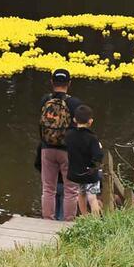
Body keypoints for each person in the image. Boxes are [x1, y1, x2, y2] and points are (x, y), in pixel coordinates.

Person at [38, 69, 80, 222]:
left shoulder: (44, 100)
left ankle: (47, 220)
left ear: (52, 82)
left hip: (47, 148)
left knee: (48, 189)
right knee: (71, 190)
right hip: (68, 151)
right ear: (69, 83)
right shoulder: (74, 103)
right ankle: (69, 222)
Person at [65, 104, 105, 217]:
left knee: (81, 194)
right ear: (90, 121)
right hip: (89, 174)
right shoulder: (92, 138)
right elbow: (98, 156)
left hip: (76, 172)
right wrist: (99, 148)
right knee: (92, 198)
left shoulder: (69, 135)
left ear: (74, 120)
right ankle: (95, 222)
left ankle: (84, 218)